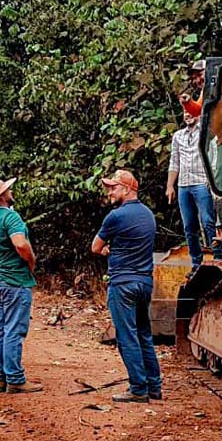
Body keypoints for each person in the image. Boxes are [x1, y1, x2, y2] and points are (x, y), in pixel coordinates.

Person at [91, 169, 162, 403]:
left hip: (122, 284)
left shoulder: (115, 217)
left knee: (127, 337)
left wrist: (106, 249)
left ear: (128, 188)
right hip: (144, 283)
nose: (110, 191)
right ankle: (154, 387)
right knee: (144, 335)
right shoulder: (148, 215)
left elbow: (95, 247)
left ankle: (138, 389)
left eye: (114, 187)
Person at [0, 177, 42, 394]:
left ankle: (0, 377)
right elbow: (20, 244)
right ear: (2, 196)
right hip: (14, 280)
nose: (10, 191)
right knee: (14, 328)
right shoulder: (10, 217)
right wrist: (30, 261)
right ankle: (15, 378)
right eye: (7, 189)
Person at [167, 110, 222, 272]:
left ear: (198, 114)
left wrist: (212, 182)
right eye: (184, 112)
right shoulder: (178, 136)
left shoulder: (206, 133)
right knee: (189, 226)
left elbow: (214, 157)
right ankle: (195, 262)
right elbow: (174, 161)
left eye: (190, 112)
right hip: (184, 185)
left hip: (202, 182)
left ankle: (219, 256)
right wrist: (170, 185)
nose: (187, 115)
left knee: (208, 221)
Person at [180, 59, 222, 193]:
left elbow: (217, 120)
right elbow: (198, 110)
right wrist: (187, 103)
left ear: (209, 71)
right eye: (194, 78)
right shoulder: (207, 90)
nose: (197, 80)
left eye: (200, 75)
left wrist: (207, 137)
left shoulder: (219, 82)